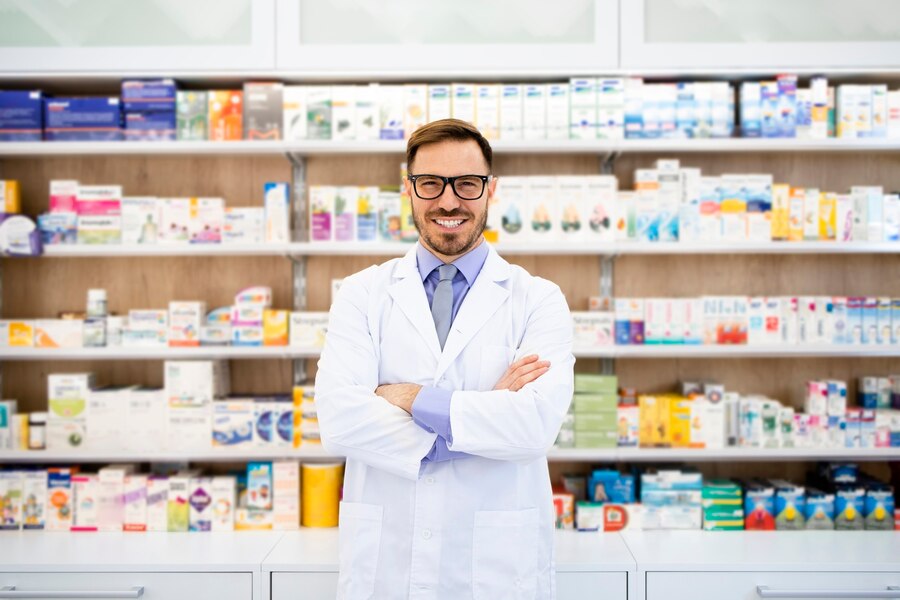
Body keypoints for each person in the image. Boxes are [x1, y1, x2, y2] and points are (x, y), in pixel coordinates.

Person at [315, 118, 575, 600]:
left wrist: (411, 398)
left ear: (490, 190)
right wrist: (480, 413)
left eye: (467, 184)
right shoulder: (361, 294)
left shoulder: (537, 299)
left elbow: (535, 426)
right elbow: (338, 420)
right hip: (388, 563)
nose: (449, 201)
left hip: (495, 568)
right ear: (408, 189)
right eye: (430, 183)